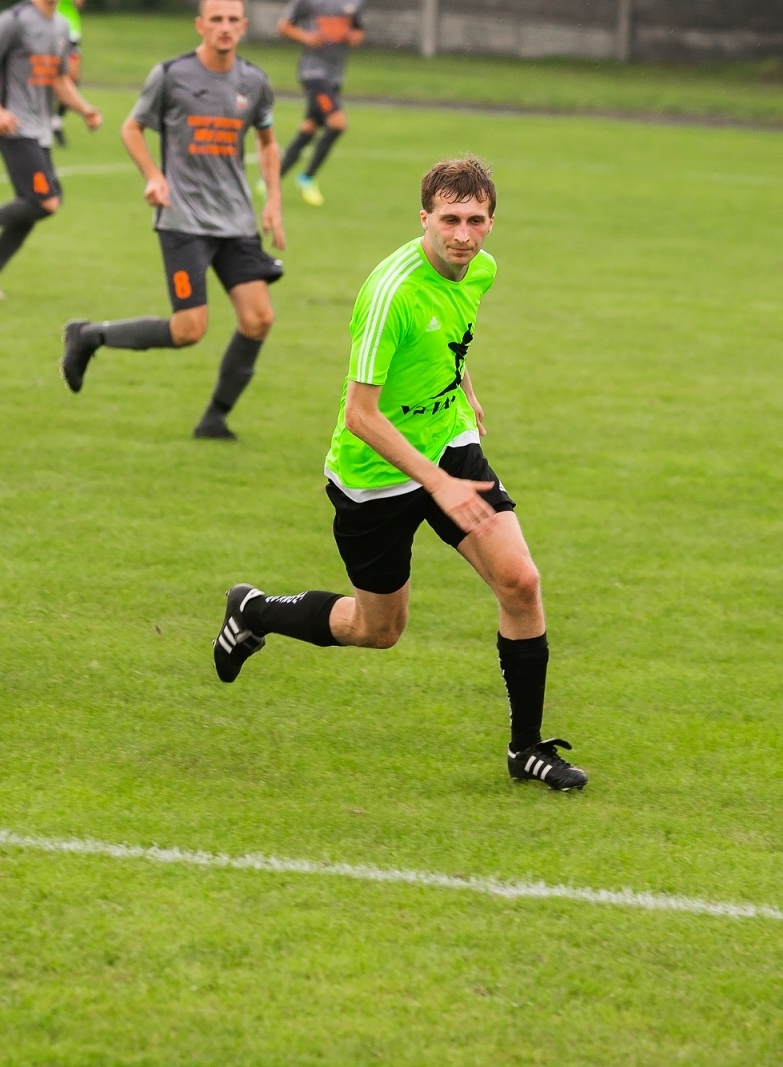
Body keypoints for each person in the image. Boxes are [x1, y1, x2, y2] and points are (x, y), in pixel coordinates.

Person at [212, 158, 587, 791]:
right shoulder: (389, 293)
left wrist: (462, 386)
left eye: (475, 220)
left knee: (521, 582)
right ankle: (254, 611)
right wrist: (433, 482)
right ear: (425, 219)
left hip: (448, 448)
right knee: (377, 629)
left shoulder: (481, 272)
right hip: (373, 475)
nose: (462, 235)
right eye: (449, 220)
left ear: (492, 222)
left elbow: (450, 336)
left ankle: (527, 749)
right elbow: (360, 415)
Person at [61, 0, 285, 442]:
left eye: (232, 20)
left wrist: (274, 199)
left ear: (243, 27)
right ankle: (89, 336)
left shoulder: (255, 81)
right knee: (189, 329)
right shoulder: (171, 75)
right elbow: (131, 128)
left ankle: (214, 419)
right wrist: (153, 176)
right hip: (183, 218)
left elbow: (268, 142)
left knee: (258, 319)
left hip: (236, 221)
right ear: (200, 25)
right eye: (215, 19)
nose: (224, 28)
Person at [0, 0, 102, 294]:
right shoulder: (15, 19)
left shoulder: (62, 25)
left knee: (35, 206)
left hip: (39, 132)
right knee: (44, 200)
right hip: (14, 127)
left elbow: (59, 79)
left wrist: (84, 109)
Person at [275, 0, 363, 207]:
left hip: (335, 77)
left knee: (309, 128)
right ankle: (307, 177)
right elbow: (284, 26)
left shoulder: (354, 3)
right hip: (313, 73)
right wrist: (307, 36)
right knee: (338, 123)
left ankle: (272, 179)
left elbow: (358, 33)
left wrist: (349, 37)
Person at [51, 0, 85, 147]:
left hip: (73, 35)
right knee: (51, 79)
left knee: (72, 80)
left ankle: (56, 122)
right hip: (56, 33)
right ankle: (46, 119)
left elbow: (79, 3)